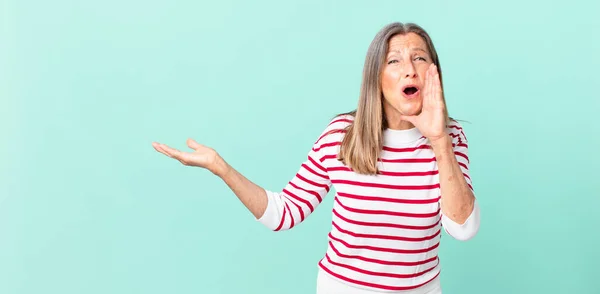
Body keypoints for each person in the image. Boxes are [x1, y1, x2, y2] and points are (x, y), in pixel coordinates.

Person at [152, 22, 480, 294]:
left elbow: (464, 230)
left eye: (419, 58)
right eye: (394, 61)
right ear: (376, 78)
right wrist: (221, 168)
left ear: (433, 74)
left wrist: (438, 139)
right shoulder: (341, 135)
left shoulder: (449, 140)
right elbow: (285, 213)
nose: (409, 69)